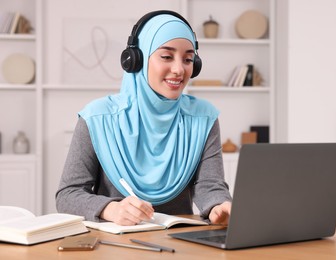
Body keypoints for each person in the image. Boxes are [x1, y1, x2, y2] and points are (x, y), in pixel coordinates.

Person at [56, 10, 232, 226]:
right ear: (136, 60)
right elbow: (67, 195)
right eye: (166, 57)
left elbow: (210, 186)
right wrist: (110, 209)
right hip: (114, 244)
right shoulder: (97, 117)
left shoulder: (203, 117)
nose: (179, 69)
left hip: (180, 242)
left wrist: (219, 206)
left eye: (188, 59)